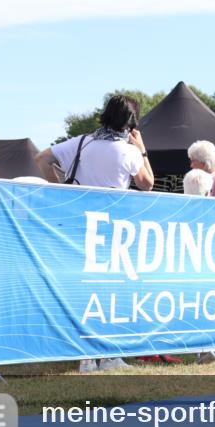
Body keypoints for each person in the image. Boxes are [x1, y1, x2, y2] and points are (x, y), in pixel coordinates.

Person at [36, 94, 155, 372]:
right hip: (112, 231)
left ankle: (86, 357)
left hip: (78, 227)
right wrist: (143, 148)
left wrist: (60, 192)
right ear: (130, 123)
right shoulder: (129, 152)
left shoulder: (81, 142)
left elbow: (41, 158)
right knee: (110, 293)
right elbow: (148, 183)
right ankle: (109, 354)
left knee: (84, 291)